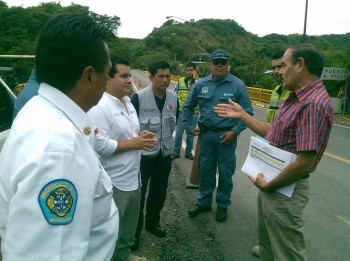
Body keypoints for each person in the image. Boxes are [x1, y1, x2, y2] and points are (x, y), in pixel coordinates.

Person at [0, 13, 119, 260]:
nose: (108, 80)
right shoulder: (59, 151)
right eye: (107, 73)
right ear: (88, 76)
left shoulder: (38, 108)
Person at [214, 43, 333, 260]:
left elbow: (305, 162)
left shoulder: (312, 104)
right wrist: (242, 115)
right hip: (274, 182)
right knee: (268, 239)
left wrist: (271, 185)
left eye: (283, 65)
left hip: (284, 187)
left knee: (287, 251)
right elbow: (274, 131)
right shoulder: (295, 96)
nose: (278, 71)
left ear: (300, 65)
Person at [88, 57, 156, 261]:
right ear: (108, 79)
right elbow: (100, 145)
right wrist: (134, 144)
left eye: (129, 76)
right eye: (124, 76)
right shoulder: (100, 107)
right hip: (114, 182)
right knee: (111, 231)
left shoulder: (127, 102)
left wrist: (140, 136)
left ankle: (125, 255)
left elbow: (129, 133)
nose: (129, 80)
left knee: (128, 226)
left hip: (134, 177)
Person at [183, 49, 253, 222]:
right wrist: (189, 126)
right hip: (206, 136)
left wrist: (234, 131)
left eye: (223, 62)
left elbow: (247, 113)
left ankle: (222, 204)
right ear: (210, 64)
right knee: (205, 170)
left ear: (228, 64)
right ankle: (204, 202)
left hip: (226, 137)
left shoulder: (238, 85)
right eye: (216, 62)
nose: (219, 65)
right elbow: (187, 106)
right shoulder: (201, 84)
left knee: (225, 172)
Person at [130, 61, 179, 250]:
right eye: (161, 76)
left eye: (168, 76)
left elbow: (174, 123)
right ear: (151, 77)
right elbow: (130, 128)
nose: (165, 80)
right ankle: (135, 233)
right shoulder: (138, 98)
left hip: (164, 155)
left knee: (159, 192)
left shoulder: (174, 98)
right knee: (139, 195)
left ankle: (153, 222)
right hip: (143, 157)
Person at [171, 62, 199, 160]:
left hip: (194, 113)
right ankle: (176, 152)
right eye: (187, 70)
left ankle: (188, 152)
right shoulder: (180, 81)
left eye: (191, 70)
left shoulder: (199, 84)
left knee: (191, 134)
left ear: (195, 71)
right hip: (181, 112)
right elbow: (174, 94)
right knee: (178, 133)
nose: (189, 72)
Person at [266, 49, 291, 123]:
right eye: (274, 68)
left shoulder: (295, 92)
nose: (276, 71)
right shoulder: (275, 91)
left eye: (280, 66)